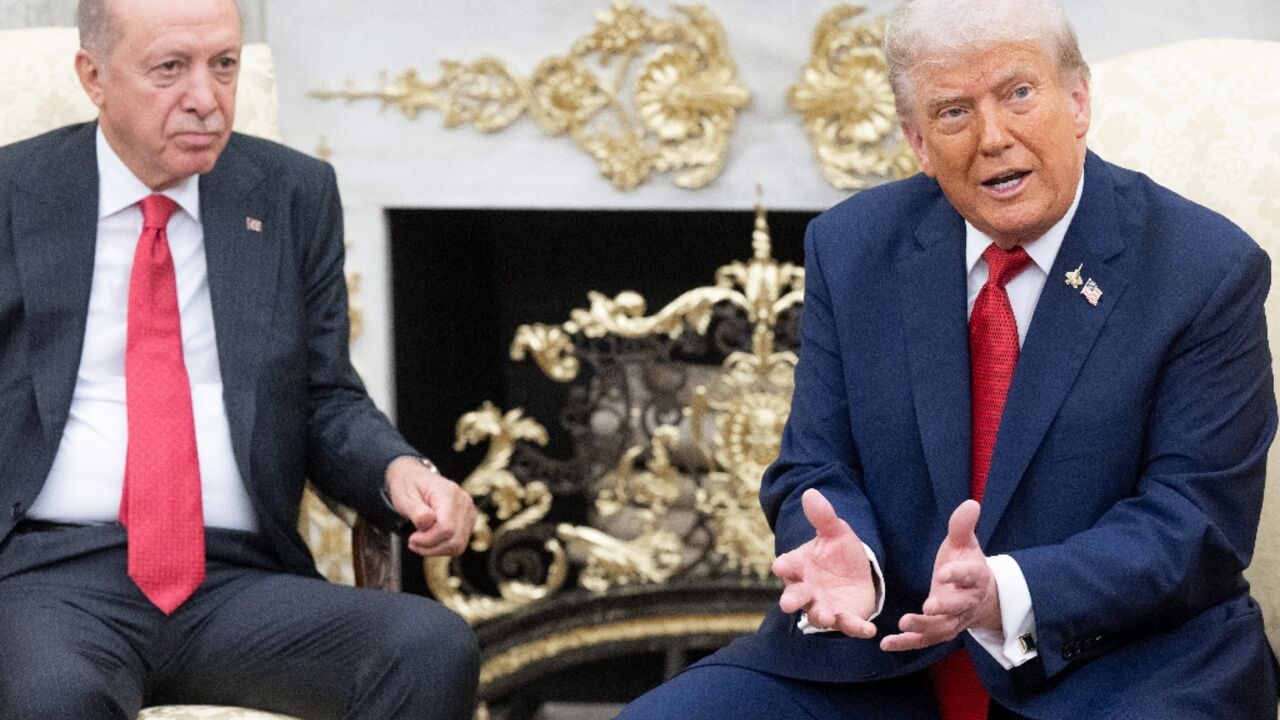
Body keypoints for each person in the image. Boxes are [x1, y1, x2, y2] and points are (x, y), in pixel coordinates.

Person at [618, 0, 1279, 718]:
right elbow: (815, 465)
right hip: (883, 659)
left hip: (1125, 666)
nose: (993, 137)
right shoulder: (853, 247)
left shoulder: (1202, 269)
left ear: (1079, 100)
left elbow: (1195, 521)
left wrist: (1007, 592)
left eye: (1019, 94)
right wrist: (850, 561)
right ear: (917, 142)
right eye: (954, 112)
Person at [0, 0, 480, 717]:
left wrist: (401, 470)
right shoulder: (14, 194)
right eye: (170, 68)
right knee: (57, 698)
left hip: (233, 580)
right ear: (93, 76)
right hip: (52, 577)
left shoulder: (292, 194)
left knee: (429, 644)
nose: (206, 98)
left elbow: (325, 396)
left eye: (223, 65)